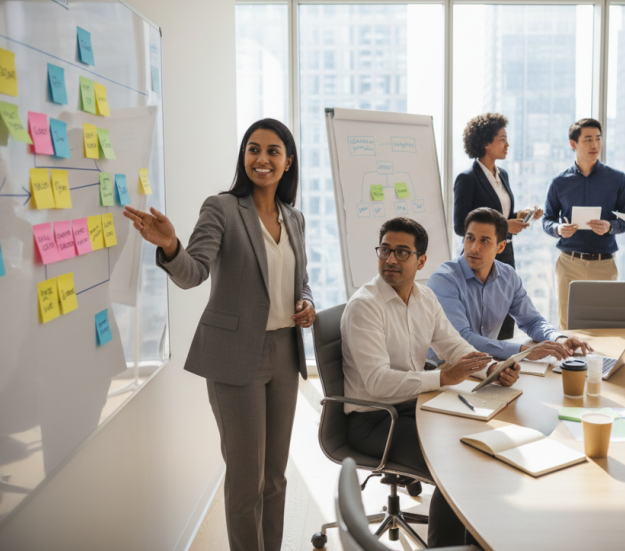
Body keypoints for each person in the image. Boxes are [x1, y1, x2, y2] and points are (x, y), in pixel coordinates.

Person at [123, 119, 316, 551]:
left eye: (272, 151)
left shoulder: (295, 218)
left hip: (284, 354)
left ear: (288, 162)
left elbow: (300, 280)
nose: (261, 159)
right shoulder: (223, 208)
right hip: (235, 357)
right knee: (246, 482)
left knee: (275, 477)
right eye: (253, 149)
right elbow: (193, 273)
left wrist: (305, 303)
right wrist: (171, 246)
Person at [342, 217, 520, 547]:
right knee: (455, 463)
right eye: (385, 250)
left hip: (412, 405)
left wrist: (492, 369)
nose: (391, 259)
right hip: (373, 420)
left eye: (401, 252)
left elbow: (454, 347)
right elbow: (378, 383)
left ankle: (474, 542)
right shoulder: (365, 307)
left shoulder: (424, 298)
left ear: (421, 260)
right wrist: (442, 376)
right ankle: (447, 547)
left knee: (480, 442)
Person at [429, 207, 592, 362]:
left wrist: (559, 338)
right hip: (441, 368)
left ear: (500, 247)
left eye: (484, 240)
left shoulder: (508, 276)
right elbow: (462, 339)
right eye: (470, 238)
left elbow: (532, 321)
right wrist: (525, 352)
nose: (474, 248)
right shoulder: (444, 280)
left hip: (482, 365)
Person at [453, 113, 542, 340]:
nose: (507, 144)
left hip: (504, 255)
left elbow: (500, 215)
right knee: (478, 322)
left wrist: (518, 216)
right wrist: (505, 224)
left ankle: (503, 366)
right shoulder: (467, 178)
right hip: (478, 258)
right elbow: (460, 225)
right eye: (502, 139)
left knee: (504, 320)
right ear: (485, 142)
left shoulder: (503, 175)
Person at [541, 118, 625, 331]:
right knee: (567, 326)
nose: (595, 145)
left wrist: (610, 226)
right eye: (588, 140)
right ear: (573, 144)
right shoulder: (559, 182)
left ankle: (604, 365)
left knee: (605, 326)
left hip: (604, 264)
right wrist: (558, 229)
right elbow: (547, 220)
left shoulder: (617, 179)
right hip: (569, 264)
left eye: (598, 139)